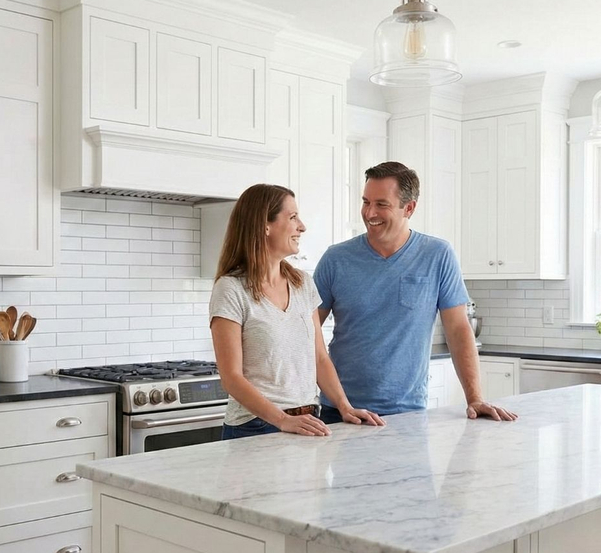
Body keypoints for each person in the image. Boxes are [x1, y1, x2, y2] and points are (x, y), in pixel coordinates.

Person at [313, 161, 518, 423]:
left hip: (408, 411)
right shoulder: (336, 259)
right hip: (342, 411)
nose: (369, 212)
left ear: (409, 208)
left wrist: (475, 398)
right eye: (366, 202)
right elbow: (307, 330)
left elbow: (458, 329)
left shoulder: (437, 255)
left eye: (381, 204)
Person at [209, 183, 385, 439]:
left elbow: (319, 357)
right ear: (264, 225)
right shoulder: (231, 289)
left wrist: (344, 407)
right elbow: (231, 378)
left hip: (309, 422)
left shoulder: (302, 284)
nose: (302, 226)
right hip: (255, 427)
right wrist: (282, 420)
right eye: (292, 217)